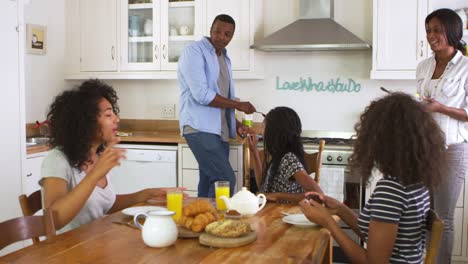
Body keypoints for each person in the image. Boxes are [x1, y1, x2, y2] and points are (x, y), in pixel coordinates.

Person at [299, 93, 446, 263]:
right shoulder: (415, 182)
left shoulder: (392, 190)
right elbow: (377, 235)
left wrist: (328, 222)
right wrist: (340, 209)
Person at [41, 79, 175, 232]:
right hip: (66, 251)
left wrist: (146, 194)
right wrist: (95, 173)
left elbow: (105, 205)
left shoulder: (97, 155)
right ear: (85, 122)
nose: (116, 119)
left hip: (95, 244)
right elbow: (53, 220)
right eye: (108, 115)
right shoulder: (57, 160)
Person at [178, 14, 256, 198]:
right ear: (211, 29)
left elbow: (222, 97)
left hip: (219, 131)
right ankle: (218, 224)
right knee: (225, 179)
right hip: (199, 127)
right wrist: (238, 104)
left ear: (232, 36)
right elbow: (202, 95)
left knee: (208, 182)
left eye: (227, 34)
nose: (222, 37)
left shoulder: (224, 58)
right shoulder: (194, 51)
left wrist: (236, 125)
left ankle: (201, 223)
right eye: (218, 31)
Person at [416, 8, 468, 263]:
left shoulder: (466, 67)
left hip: (452, 149)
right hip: (424, 149)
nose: (431, 35)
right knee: (423, 213)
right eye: (428, 30)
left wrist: (441, 108)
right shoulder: (423, 66)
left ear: (452, 31)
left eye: (437, 30)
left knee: (442, 216)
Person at [247, 107, 322, 203]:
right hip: (274, 212)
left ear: (275, 131)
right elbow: (263, 188)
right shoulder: (277, 155)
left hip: (287, 215)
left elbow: (318, 195)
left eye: (264, 126)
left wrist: (278, 196)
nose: (261, 131)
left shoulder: (288, 159)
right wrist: (254, 151)